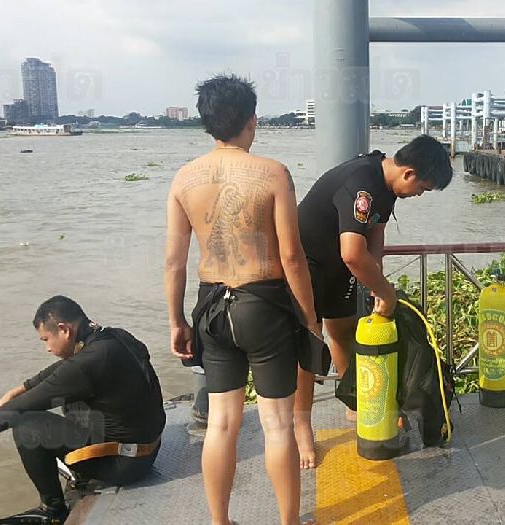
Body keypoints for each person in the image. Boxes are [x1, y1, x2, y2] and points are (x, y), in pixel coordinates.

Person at [164, 74, 318, 525]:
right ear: (253, 120)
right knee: (276, 424)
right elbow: (291, 256)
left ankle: (220, 521)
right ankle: (288, 521)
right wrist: (309, 316)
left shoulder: (183, 178)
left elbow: (174, 263)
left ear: (207, 121)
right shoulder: (273, 173)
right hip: (263, 306)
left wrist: (177, 321)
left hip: (210, 308)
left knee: (222, 423)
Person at [294, 135, 453, 468]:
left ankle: (356, 401)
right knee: (309, 343)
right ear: (409, 173)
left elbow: (374, 236)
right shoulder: (363, 183)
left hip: (341, 264)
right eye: (422, 188)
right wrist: (387, 293)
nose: (419, 194)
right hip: (306, 262)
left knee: (342, 331)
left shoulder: (387, 185)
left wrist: (375, 282)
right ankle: (302, 426)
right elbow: (353, 252)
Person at [0, 296, 165, 524]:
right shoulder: (113, 338)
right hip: (146, 450)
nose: (47, 348)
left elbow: (24, 407)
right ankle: (81, 470)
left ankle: (52, 511)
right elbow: (64, 368)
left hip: (125, 464)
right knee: (69, 398)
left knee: (27, 426)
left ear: (64, 330)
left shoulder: (88, 363)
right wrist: (21, 388)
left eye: (46, 339)